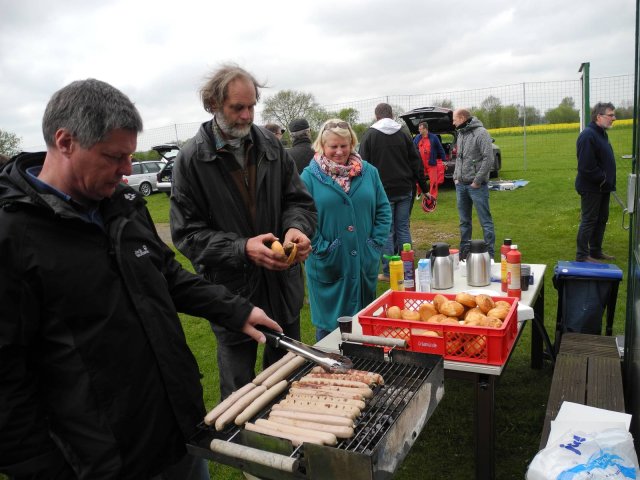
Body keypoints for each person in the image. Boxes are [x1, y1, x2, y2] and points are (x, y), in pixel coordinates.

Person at [0, 78, 282, 480]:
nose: (128, 170)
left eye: (130, 155)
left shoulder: (123, 204)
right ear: (65, 142)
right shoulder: (12, 235)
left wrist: (234, 310)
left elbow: (165, 273)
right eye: (115, 156)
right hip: (103, 460)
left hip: (176, 431)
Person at [170, 64, 317, 400]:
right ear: (213, 104)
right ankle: (241, 435)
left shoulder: (271, 145)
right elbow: (187, 235)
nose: (247, 115)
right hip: (231, 294)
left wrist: (296, 228)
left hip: (282, 286)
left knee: (288, 383)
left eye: (251, 106)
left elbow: (298, 201)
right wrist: (242, 248)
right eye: (238, 107)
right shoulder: (191, 160)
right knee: (239, 393)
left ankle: (289, 433)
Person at [300, 119, 391, 340]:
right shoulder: (308, 178)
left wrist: (374, 244)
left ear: (352, 143)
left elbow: (383, 209)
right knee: (329, 333)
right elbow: (302, 218)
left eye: (344, 145)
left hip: (363, 260)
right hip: (328, 263)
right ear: (322, 146)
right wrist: (322, 248)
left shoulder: (369, 172)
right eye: (333, 146)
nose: (339, 151)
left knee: (364, 327)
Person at [359, 102, 430, 282]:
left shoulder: (369, 136)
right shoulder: (404, 134)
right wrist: (425, 188)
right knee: (403, 227)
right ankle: (407, 266)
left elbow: (361, 166)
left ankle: (389, 271)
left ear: (376, 116)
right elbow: (416, 162)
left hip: (382, 191)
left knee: (387, 230)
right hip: (405, 188)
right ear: (391, 115)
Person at [575, 102, 617, 262]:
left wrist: (607, 182)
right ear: (599, 117)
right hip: (592, 187)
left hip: (603, 187)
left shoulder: (601, 134)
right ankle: (582, 255)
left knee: (601, 219)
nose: (614, 118)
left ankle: (595, 251)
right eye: (610, 115)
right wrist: (603, 179)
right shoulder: (588, 135)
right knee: (589, 220)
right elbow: (586, 167)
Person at [452, 108, 496, 259]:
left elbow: (488, 158)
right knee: (464, 222)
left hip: (477, 187)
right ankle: (464, 254)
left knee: (485, 221)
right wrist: (456, 177)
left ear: (462, 118)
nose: (453, 123)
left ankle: (489, 255)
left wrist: (477, 181)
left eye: (454, 120)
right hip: (461, 186)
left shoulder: (481, 133)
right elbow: (459, 158)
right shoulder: (460, 134)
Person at [413, 121, 445, 199]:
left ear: (425, 129)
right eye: (419, 129)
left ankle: (433, 196)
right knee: (419, 179)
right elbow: (412, 148)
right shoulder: (417, 137)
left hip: (431, 163)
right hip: (420, 163)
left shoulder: (434, 137)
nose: (419, 130)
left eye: (420, 129)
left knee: (433, 181)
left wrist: (444, 160)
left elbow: (440, 148)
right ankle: (419, 192)